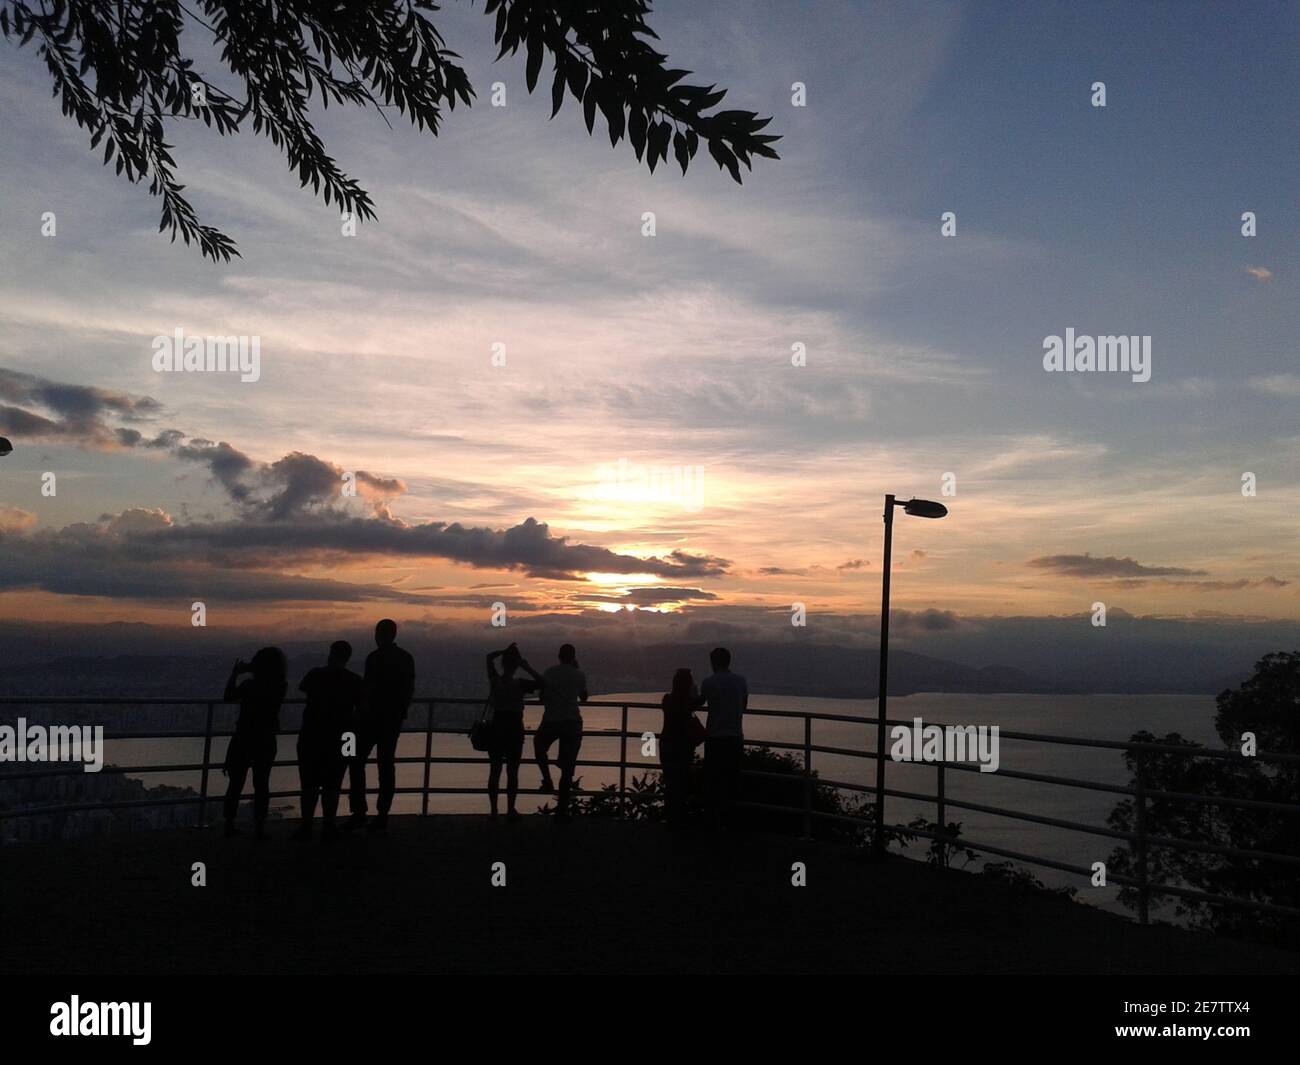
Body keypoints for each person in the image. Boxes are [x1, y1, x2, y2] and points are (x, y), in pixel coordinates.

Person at [348, 619, 416, 834]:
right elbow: (409, 688)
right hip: (392, 720)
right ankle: (382, 814)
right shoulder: (406, 658)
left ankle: (359, 812)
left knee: (356, 762)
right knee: (386, 766)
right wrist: (400, 711)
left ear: (378, 634)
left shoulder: (374, 658)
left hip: (369, 719)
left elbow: (366, 688)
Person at [297, 640, 363, 840]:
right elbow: (361, 708)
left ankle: (307, 825)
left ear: (331, 653)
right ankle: (328, 825)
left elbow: (303, 687)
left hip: (311, 735)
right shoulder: (354, 680)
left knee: (308, 784)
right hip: (342, 737)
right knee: (333, 784)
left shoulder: (315, 675)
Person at [222, 647, 288, 839]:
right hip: (266, 739)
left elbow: (228, 697)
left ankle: (229, 824)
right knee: (261, 784)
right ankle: (259, 827)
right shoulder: (280, 686)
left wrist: (236, 673)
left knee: (235, 784)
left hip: (243, 737)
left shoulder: (249, 685)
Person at [484, 643, 541, 819]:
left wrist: (503, 651)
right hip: (515, 728)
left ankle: (494, 810)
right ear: (516, 665)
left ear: (503, 664)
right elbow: (542, 683)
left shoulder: (495, 680)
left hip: (497, 726)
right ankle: (510, 809)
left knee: (495, 770)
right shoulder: (521, 684)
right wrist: (527, 666)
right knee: (513, 771)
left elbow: (488, 657)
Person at [534, 643, 588, 823]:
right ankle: (562, 811)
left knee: (539, 745)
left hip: (551, 720)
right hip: (572, 722)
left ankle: (546, 779)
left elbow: (542, 696)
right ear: (573, 656)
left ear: (558, 656)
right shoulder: (578, 674)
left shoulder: (549, 672)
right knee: (567, 769)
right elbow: (584, 697)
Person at [697, 646, 747, 830]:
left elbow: (700, 702)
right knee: (732, 779)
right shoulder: (740, 681)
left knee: (713, 780)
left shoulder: (708, 682)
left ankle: (713, 821)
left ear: (713, 662)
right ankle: (732, 821)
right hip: (734, 737)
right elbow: (744, 705)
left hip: (714, 738)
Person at [659, 668, 700, 826]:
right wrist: (694, 690)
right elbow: (698, 701)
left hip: (666, 743)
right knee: (682, 781)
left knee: (670, 781)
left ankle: (670, 816)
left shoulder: (667, 699)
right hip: (683, 744)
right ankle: (680, 817)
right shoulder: (688, 702)